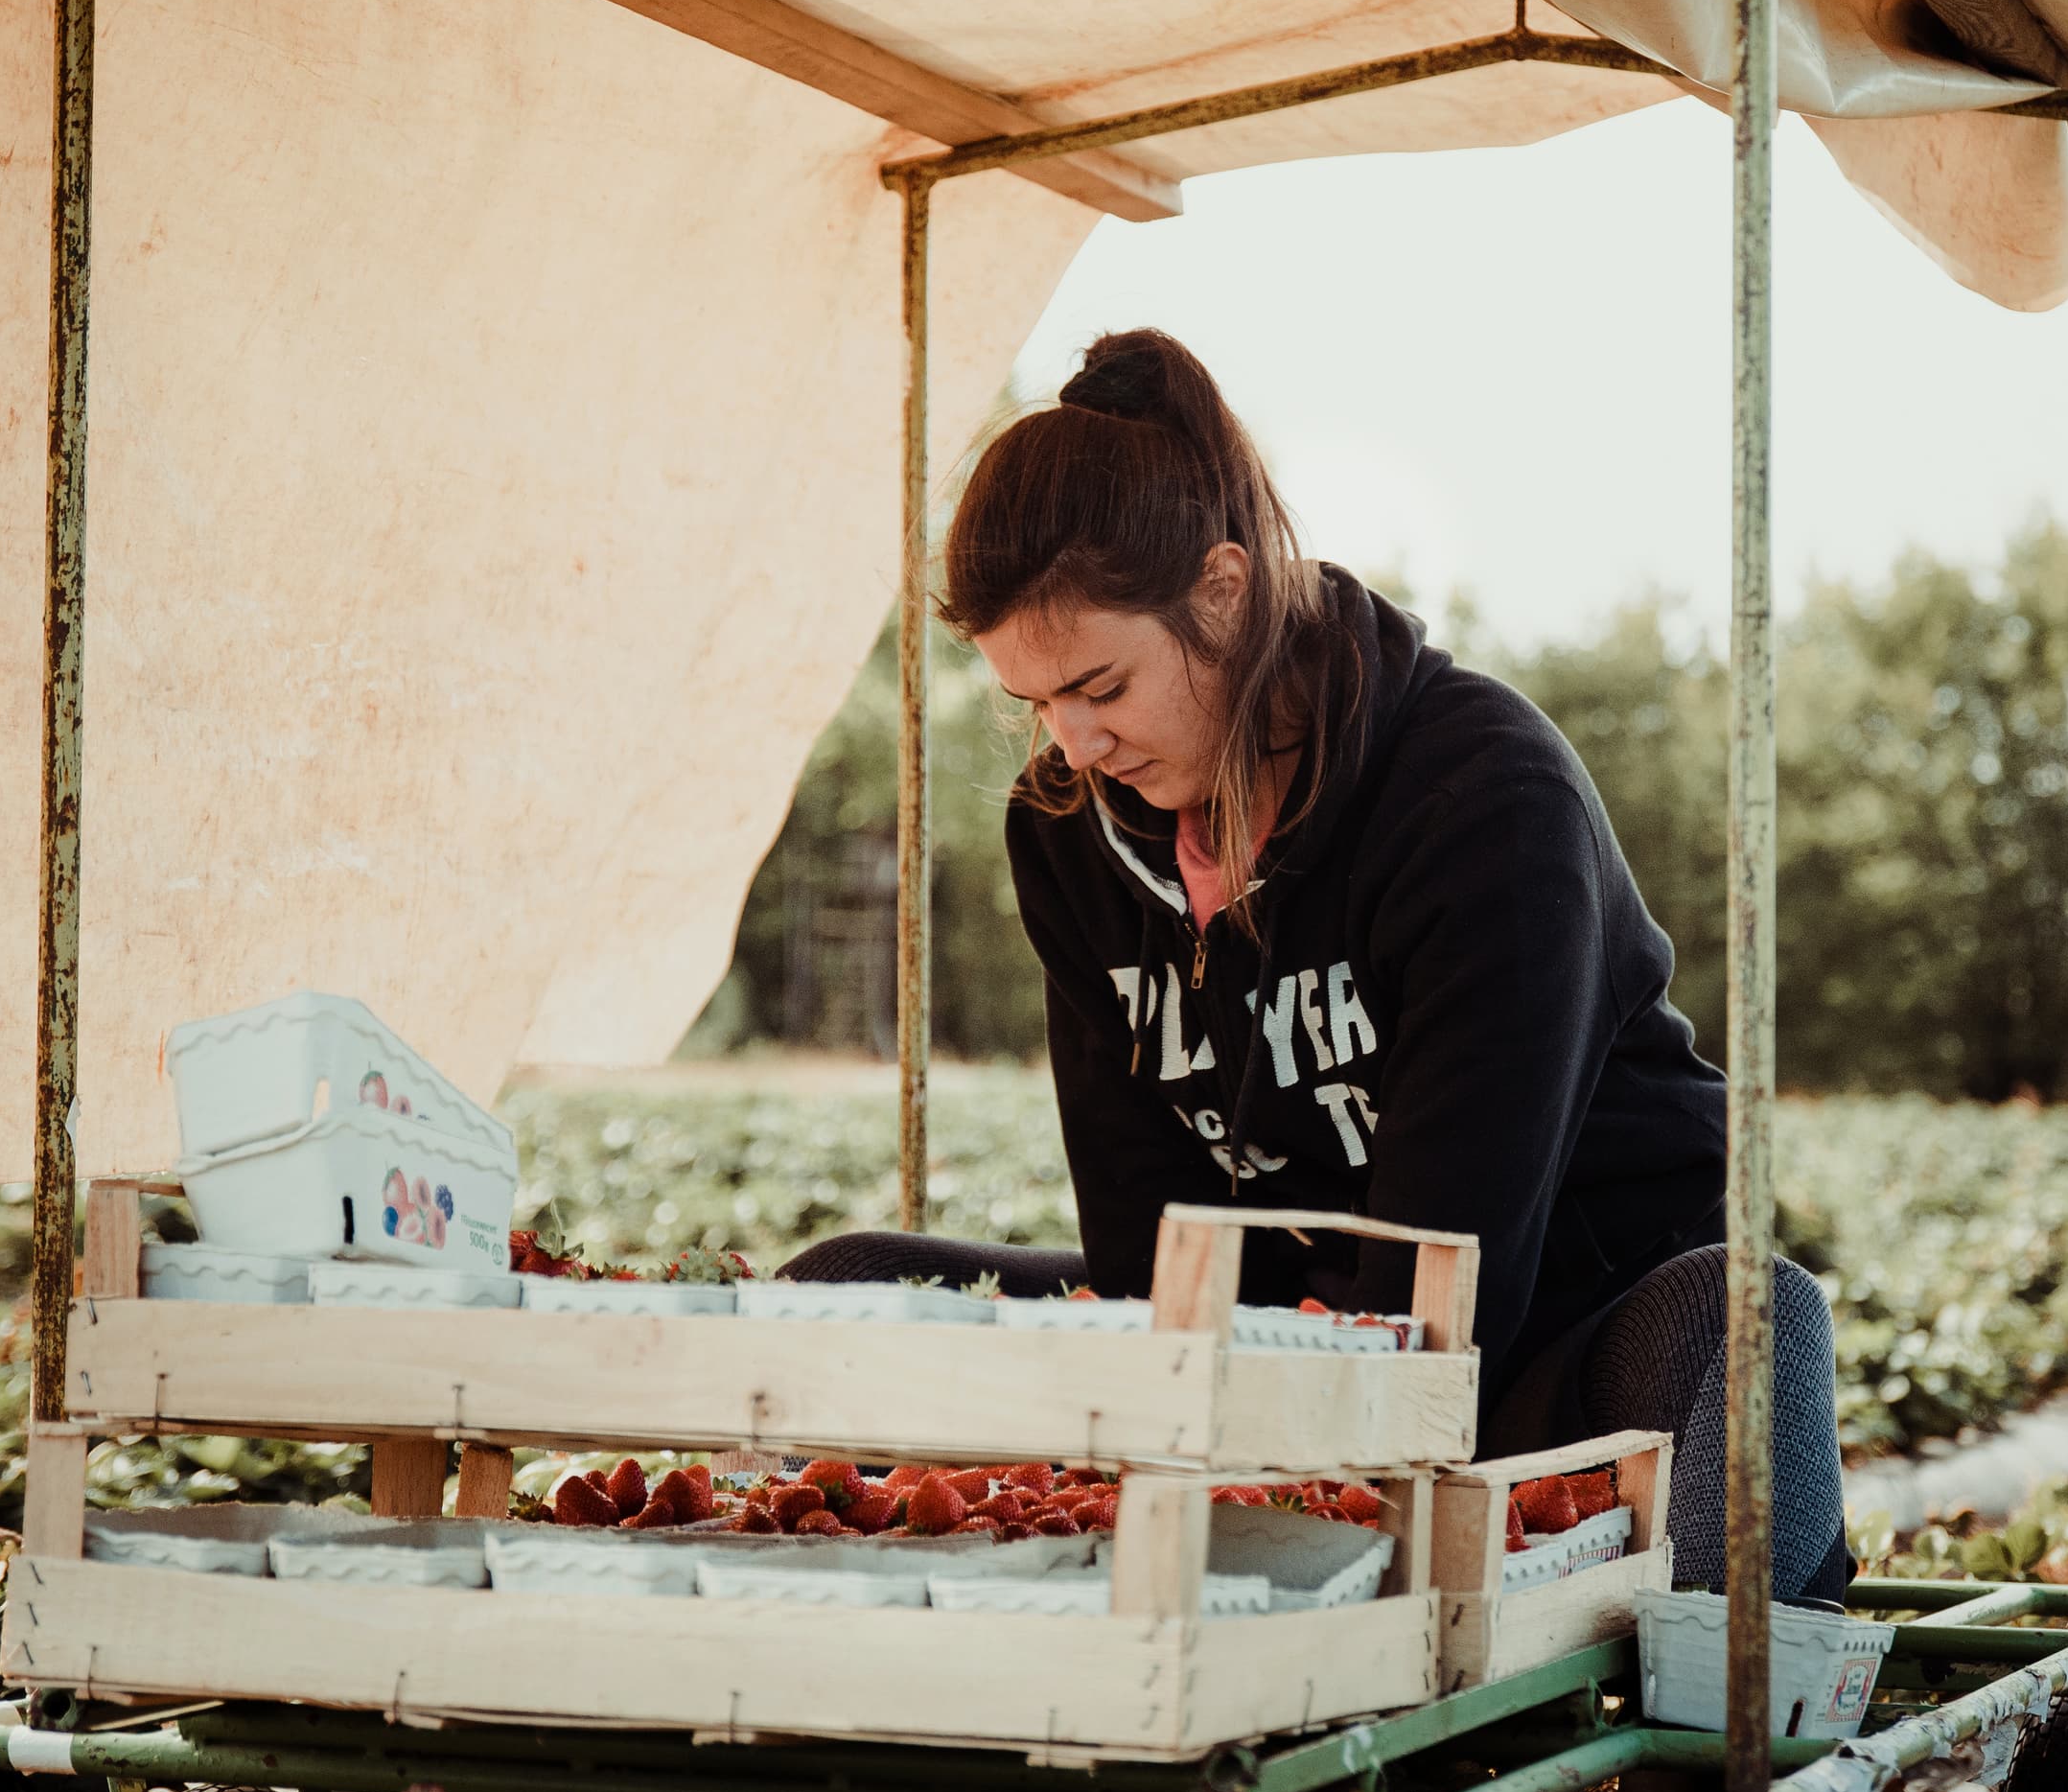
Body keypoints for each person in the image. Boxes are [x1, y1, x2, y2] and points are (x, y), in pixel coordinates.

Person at [783, 330, 1847, 1604]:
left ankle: (1745, 1699)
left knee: (1747, 1324)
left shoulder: (1484, 797)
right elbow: (1144, 1242)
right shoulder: (1063, 834)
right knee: (837, 1293)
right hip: (1281, 1339)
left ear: (1223, 592)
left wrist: (1260, 1486)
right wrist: (1169, 1436)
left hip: (1548, 1338)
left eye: (1101, 684)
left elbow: (1440, 1275)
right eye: (1036, 704)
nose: (1072, 741)